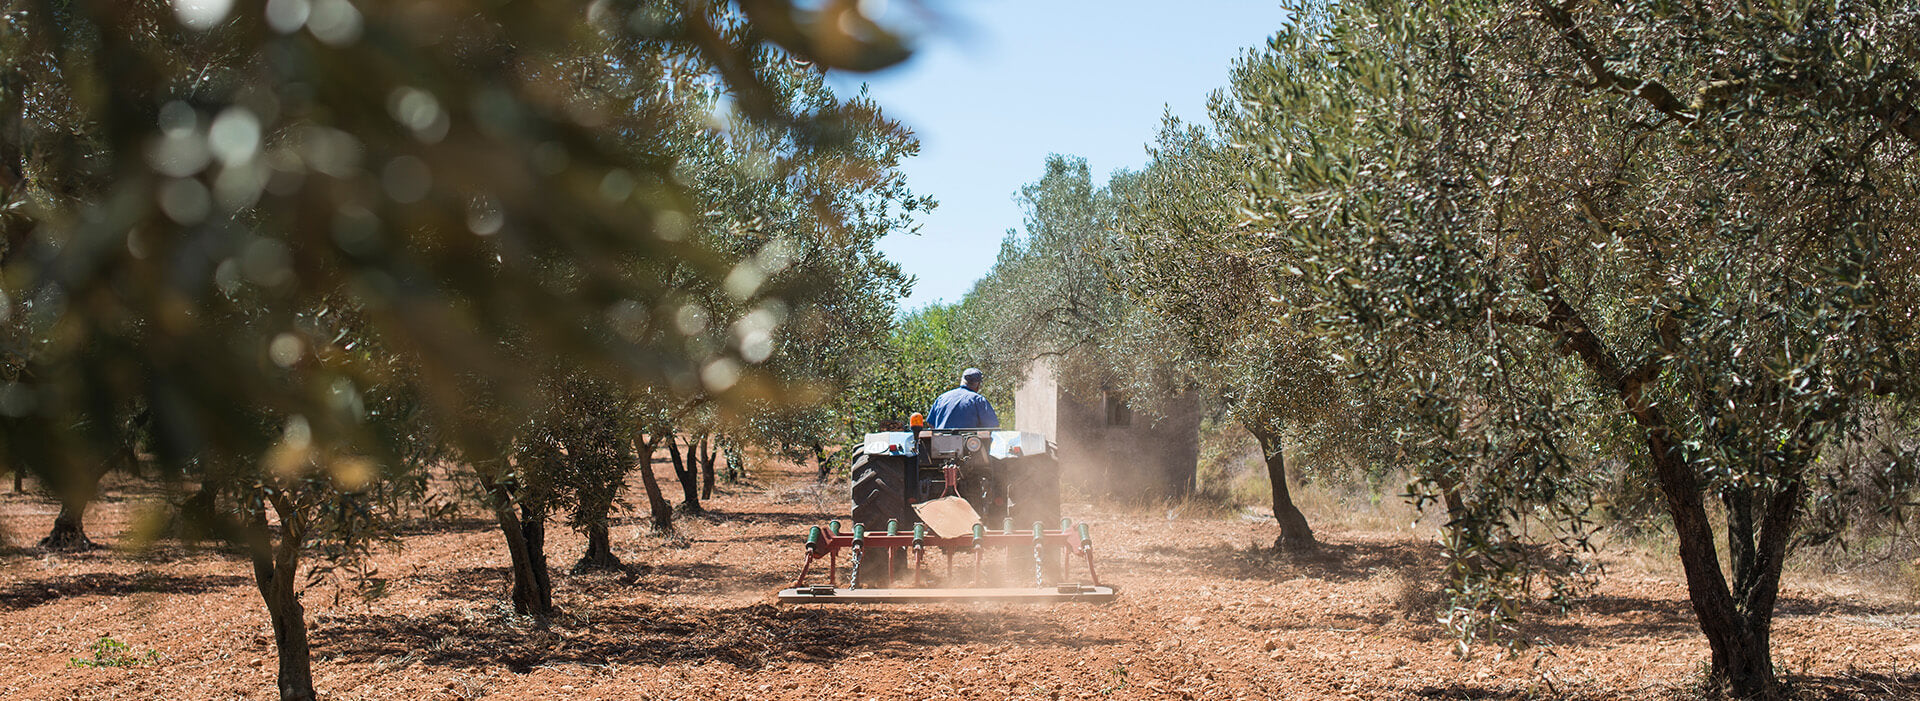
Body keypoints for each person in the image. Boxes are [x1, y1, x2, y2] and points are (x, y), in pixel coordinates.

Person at [926, 367, 999, 429]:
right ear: (978, 385)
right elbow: (992, 426)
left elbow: (931, 424)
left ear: (962, 381)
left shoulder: (941, 398)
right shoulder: (979, 400)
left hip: (940, 441)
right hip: (968, 441)